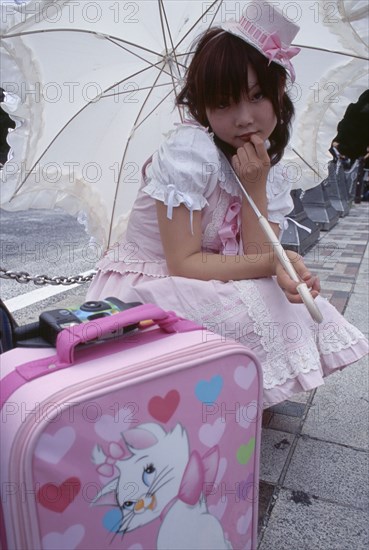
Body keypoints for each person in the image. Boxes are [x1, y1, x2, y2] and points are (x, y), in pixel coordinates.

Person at [87, 3, 368, 407]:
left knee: (279, 295)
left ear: (279, 92)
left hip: (199, 280)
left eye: (256, 96)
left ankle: (236, 399)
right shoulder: (190, 151)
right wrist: (277, 262)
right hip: (148, 285)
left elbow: (253, 255)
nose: (243, 118)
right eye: (223, 103)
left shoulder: (263, 164)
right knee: (259, 298)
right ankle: (222, 399)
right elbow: (185, 262)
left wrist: (256, 187)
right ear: (203, 109)